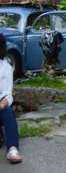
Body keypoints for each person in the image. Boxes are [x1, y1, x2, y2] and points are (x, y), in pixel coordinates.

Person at [0, 34, 23, 164]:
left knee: (7, 111)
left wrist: (1, 105)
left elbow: (7, 95)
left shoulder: (5, 67)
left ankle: (12, 149)